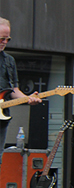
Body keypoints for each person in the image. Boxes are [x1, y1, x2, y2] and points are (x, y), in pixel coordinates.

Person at [0, 17, 42, 170]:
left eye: (7, 39)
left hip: (1, 119)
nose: (4, 42)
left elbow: (14, 91)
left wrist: (28, 99)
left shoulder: (8, 61)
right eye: (1, 38)